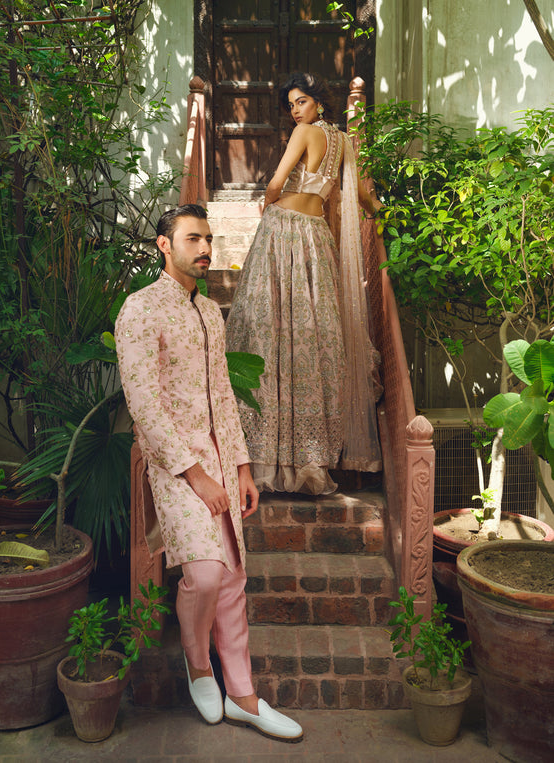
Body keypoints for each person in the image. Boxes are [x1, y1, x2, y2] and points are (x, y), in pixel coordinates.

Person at [114, 204, 303, 742]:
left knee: (233, 576)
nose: (204, 248)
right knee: (203, 574)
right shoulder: (140, 309)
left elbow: (222, 393)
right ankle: (199, 663)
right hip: (176, 466)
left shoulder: (209, 312)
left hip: (221, 460)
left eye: (208, 239)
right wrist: (196, 474)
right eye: (193, 238)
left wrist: (241, 466)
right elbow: (143, 403)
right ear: (164, 245)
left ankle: (243, 695)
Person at [226, 72, 383, 495]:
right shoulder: (344, 142)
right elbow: (362, 195)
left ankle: (268, 453)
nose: (296, 110)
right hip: (315, 236)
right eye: (292, 104)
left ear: (318, 103)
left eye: (302, 101)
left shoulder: (304, 133)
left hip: (284, 230)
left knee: (268, 326)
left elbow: (277, 182)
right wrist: (382, 213)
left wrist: (266, 204)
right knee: (309, 332)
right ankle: (309, 456)